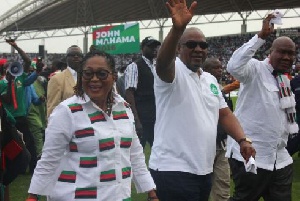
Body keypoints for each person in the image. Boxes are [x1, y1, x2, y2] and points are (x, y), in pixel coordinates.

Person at [149, 1, 255, 201]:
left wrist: (242, 140)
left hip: (204, 170)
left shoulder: (210, 79)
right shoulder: (172, 72)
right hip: (172, 170)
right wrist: (177, 29)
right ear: (179, 48)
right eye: (191, 44)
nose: (198, 48)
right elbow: (163, 63)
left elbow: (224, 114)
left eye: (203, 45)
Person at [26, 50, 158, 201]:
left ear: (113, 76)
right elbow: (49, 160)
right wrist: (33, 196)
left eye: (102, 73)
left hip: (118, 196)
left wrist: (151, 192)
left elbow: (134, 155)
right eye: (88, 73)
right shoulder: (67, 112)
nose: (94, 79)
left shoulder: (124, 108)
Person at [225, 14, 297, 201]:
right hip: (251, 155)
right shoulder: (255, 69)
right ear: (270, 52)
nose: (287, 57)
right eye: (282, 52)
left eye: (291, 53)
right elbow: (233, 66)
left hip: (280, 159)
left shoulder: (284, 81)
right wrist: (261, 37)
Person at [124, 36, 161, 148]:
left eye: (156, 46)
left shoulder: (156, 66)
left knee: (158, 150)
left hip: (155, 117)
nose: (154, 49)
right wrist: (136, 120)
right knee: (137, 151)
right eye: (150, 46)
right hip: (142, 117)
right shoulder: (134, 66)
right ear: (142, 48)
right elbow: (129, 93)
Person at [202, 58, 230, 201]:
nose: (220, 70)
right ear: (206, 70)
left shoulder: (219, 89)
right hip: (203, 145)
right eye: (216, 68)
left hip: (221, 143)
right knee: (201, 185)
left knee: (223, 184)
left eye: (220, 67)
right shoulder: (200, 88)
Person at [47, 45, 83, 117]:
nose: (76, 57)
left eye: (79, 55)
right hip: (66, 123)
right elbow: (53, 108)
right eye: (72, 55)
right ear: (67, 58)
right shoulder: (57, 79)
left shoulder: (87, 77)